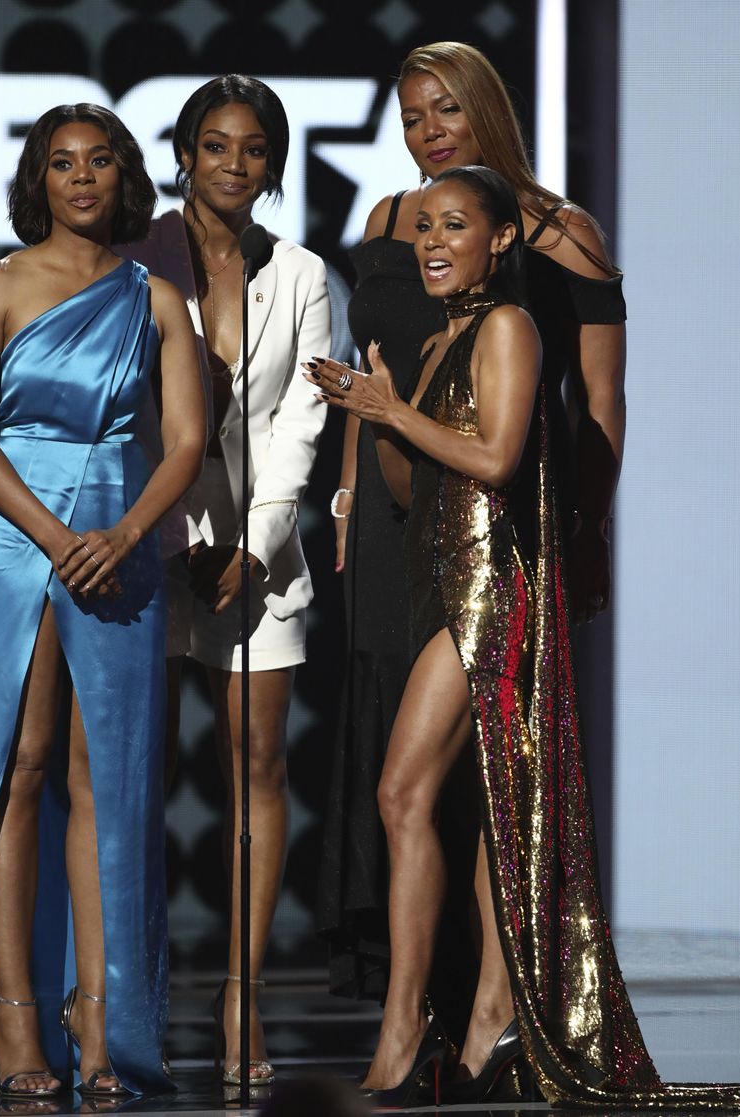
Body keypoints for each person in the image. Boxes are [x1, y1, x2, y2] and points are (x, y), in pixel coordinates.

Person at [307, 166, 740, 1109]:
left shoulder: (509, 327)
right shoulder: (447, 334)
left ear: (501, 241)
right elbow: (419, 493)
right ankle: (492, 1018)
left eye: (455, 226)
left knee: (402, 790)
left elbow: (497, 456)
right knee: (488, 809)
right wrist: (377, 421)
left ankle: (409, 1030)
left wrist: (394, 412)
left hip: (494, 594)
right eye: (423, 230)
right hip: (441, 586)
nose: (433, 242)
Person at [317, 39, 626, 1048]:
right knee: (402, 772)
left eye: (444, 110)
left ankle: (487, 1009)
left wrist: (584, 532)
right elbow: (378, 387)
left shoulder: (554, 233)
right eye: (409, 117)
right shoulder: (384, 223)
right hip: (393, 512)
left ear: (485, 109)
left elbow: (600, 403)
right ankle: (432, 1003)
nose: (425, 133)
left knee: (491, 771)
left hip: (500, 527)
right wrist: (354, 491)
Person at [0, 104, 205, 1098]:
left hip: (118, 542)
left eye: (100, 162)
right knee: (22, 769)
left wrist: (125, 536)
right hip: (13, 548)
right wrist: (54, 540)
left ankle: (105, 1029)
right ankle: (14, 1024)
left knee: (111, 787)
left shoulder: (156, 297)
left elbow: (183, 441)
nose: (83, 179)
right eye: (62, 163)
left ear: (125, 175)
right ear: (37, 179)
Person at [119, 75, 330, 1086]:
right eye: (215, 146)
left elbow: (302, 418)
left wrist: (255, 537)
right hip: (154, 540)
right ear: (185, 155)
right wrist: (178, 534)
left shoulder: (300, 274)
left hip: (260, 551)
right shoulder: (135, 260)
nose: (233, 165)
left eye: (253, 149)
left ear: (272, 166)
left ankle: (240, 987)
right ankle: (120, 984)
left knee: (255, 766)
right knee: (127, 769)